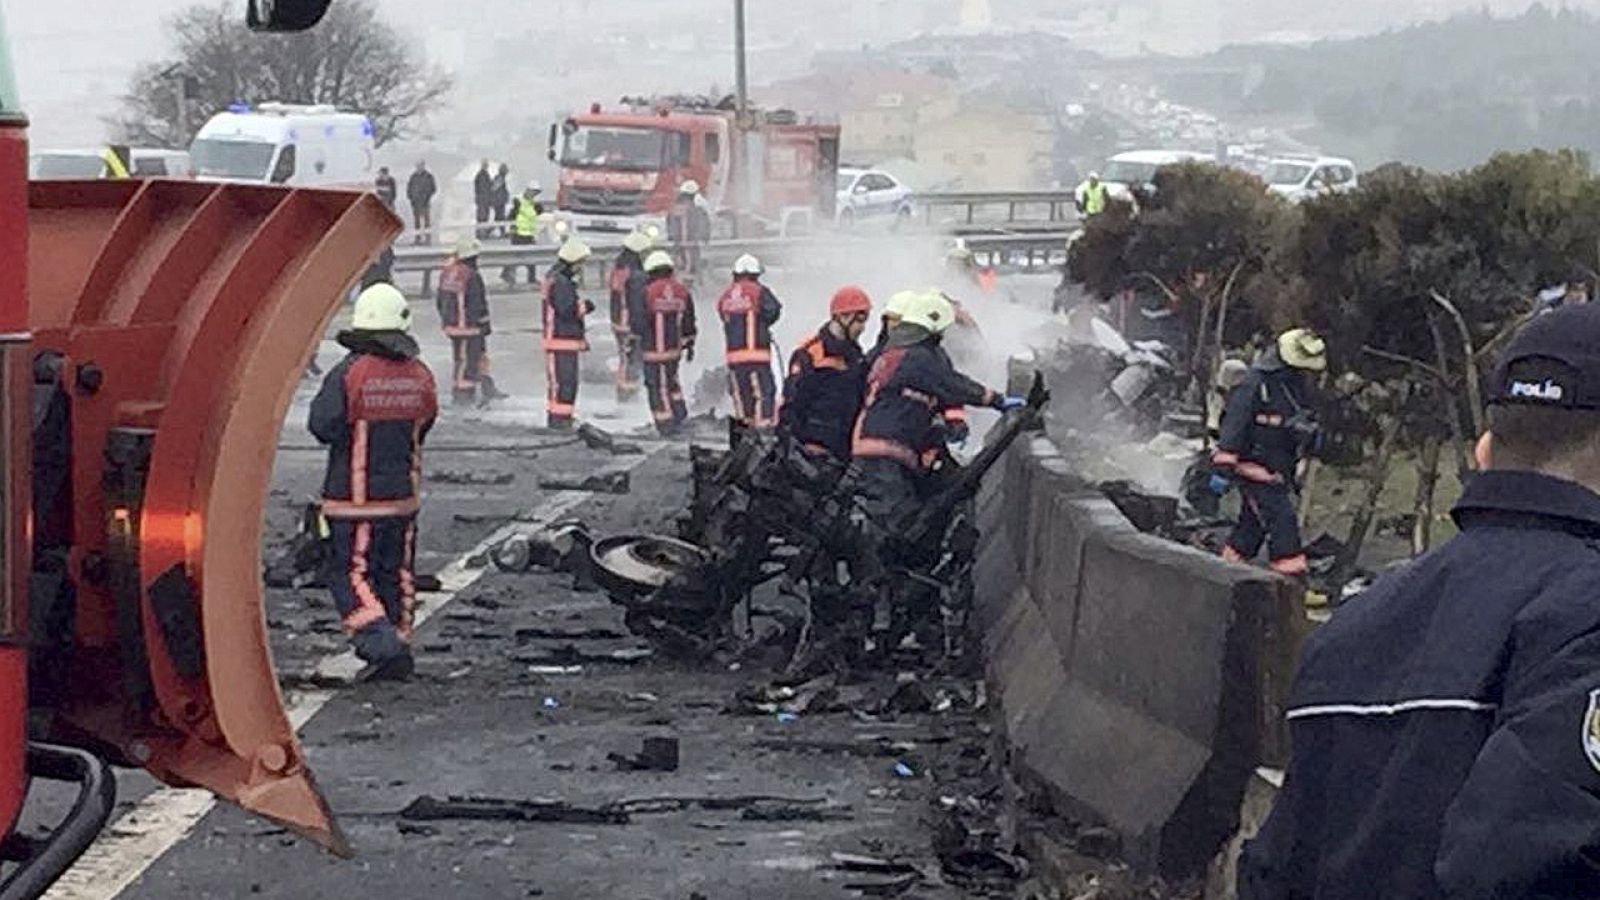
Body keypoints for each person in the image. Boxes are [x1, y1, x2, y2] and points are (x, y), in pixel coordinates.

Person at [1238, 302, 1600, 899]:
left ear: (1485, 451)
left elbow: (1276, 870)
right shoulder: (1586, 620)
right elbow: (1527, 867)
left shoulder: (1350, 628)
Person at [308, 283, 437, 681]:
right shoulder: (421, 374)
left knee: (349, 572)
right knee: (396, 572)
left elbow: (323, 426)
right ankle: (398, 640)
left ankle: (380, 642)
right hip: (402, 498)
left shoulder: (349, 373)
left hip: (354, 500)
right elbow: (426, 423)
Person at [852, 289, 1022, 536]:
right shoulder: (918, 358)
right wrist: (997, 400)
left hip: (888, 446)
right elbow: (952, 385)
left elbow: (939, 395)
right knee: (900, 524)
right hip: (887, 448)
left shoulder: (892, 354)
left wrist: (952, 423)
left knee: (902, 513)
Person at [1209, 327, 1324, 579]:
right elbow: (1235, 426)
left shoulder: (1294, 386)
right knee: (1283, 525)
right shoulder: (1254, 384)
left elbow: (1298, 419)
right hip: (1254, 469)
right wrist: (1223, 466)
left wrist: (1310, 436)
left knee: (1250, 530)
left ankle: (1225, 571)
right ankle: (1292, 583)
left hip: (1279, 469)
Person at [779, 286, 873, 460]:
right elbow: (792, 407)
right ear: (843, 317)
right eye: (859, 320)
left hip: (842, 454)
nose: (863, 328)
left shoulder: (857, 357)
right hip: (811, 452)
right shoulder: (810, 354)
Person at [632, 250, 697, 436]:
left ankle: (665, 423)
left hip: (653, 351)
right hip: (674, 351)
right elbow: (689, 321)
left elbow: (638, 322)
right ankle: (679, 414)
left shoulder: (647, 292)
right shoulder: (681, 291)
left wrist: (637, 343)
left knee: (657, 387)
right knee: (672, 383)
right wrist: (689, 343)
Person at [436, 236, 505, 407]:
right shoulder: (471, 276)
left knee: (473, 358)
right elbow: (478, 304)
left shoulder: (448, 272)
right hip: (469, 328)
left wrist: (446, 320)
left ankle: (486, 386)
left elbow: (439, 300)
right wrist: (484, 325)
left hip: (453, 325)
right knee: (466, 361)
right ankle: (463, 394)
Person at [716, 254, 783, 429]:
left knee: (741, 396)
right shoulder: (759, 291)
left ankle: (745, 433)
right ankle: (764, 430)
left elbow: (723, 317)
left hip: (734, 359)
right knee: (763, 394)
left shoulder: (725, 296)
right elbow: (773, 310)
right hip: (757, 355)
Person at [541, 238, 593, 429]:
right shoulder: (561, 282)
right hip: (559, 340)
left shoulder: (558, 279)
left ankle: (563, 418)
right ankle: (558, 420)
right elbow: (566, 310)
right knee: (562, 384)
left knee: (567, 383)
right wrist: (584, 307)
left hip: (564, 340)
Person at [609, 226, 654, 402]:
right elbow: (636, 301)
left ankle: (625, 391)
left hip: (618, 319)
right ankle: (627, 396)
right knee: (632, 360)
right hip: (629, 322)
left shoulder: (619, 267)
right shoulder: (635, 274)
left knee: (625, 358)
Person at [667, 180, 712, 283]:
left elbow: (670, 228)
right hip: (692, 246)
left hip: (679, 246)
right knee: (692, 268)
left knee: (681, 268)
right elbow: (704, 226)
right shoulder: (698, 210)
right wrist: (705, 238)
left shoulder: (675, 210)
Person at [503, 182, 543, 287]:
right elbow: (511, 216)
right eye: (534, 192)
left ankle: (531, 278)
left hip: (529, 234)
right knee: (516, 256)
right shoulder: (518, 201)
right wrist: (512, 228)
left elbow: (540, 213)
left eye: (536, 193)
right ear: (528, 191)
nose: (535, 195)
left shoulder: (534, 203)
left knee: (532, 257)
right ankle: (508, 276)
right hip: (518, 233)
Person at [406, 160, 437, 245]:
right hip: (415, 203)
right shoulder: (413, 177)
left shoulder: (428, 176)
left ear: (424, 166)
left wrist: (426, 196)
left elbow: (433, 188)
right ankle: (417, 239)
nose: (419, 168)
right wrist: (411, 198)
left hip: (425, 202)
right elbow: (409, 188)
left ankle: (428, 239)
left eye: (420, 166)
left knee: (426, 221)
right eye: (417, 166)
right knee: (417, 222)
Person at [473, 159, 493, 236]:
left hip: (484, 200)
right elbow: (483, 188)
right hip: (483, 200)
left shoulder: (484, 175)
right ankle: (481, 232)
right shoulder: (482, 175)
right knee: (482, 217)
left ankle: (482, 232)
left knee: (484, 217)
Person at [490, 163, 510, 237]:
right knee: (500, 217)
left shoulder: (500, 178)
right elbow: (494, 188)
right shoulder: (499, 178)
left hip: (499, 202)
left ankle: (492, 231)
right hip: (498, 202)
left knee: (499, 218)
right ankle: (500, 232)